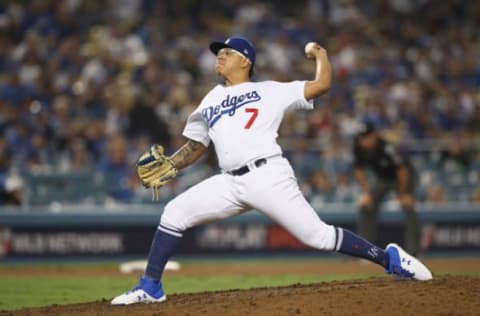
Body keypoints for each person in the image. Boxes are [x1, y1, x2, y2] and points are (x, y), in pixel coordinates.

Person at [111, 36, 432, 306]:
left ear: (245, 60)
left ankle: (390, 258)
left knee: (318, 236)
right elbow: (196, 146)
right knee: (174, 212)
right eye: (218, 53)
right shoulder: (211, 98)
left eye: (227, 52)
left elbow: (321, 85)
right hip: (229, 181)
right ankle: (151, 286)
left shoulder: (270, 90)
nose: (219, 56)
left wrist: (320, 54)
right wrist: (170, 164)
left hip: (268, 175)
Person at [353, 122, 420, 255]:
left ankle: (414, 253)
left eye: (367, 137)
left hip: (403, 177)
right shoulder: (359, 146)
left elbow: (402, 170)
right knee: (366, 206)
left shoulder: (387, 147)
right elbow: (358, 170)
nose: (364, 141)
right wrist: (367, 194)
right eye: (362, 137)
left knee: (408, 206)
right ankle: (365, 252)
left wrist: (404, 193)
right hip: (383, 179)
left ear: (374, 136)